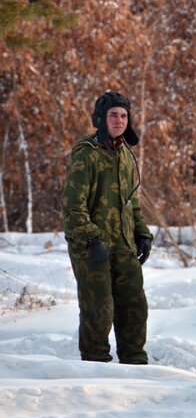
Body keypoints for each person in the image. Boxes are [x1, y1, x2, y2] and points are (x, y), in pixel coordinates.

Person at [61, 91, 153, 364]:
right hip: (91, 247)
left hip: (123, 245)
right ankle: (95, 365)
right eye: (113, 115)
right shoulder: (85, 153)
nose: (119, 120)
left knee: (135, 307)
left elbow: (131, 202)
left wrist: (142, 233)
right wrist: (91, 239)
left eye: (124, 116)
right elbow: (72, 205)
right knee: (98, 310)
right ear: (101, 118)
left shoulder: (124, 154)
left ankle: (135, 363)